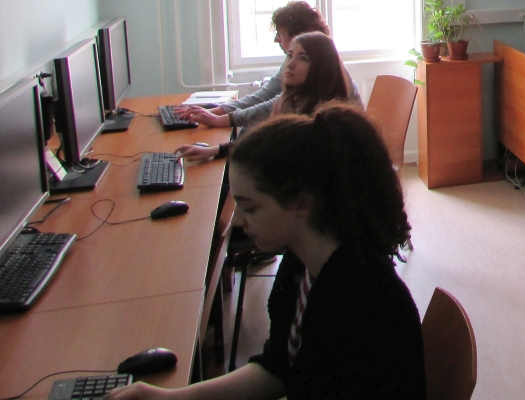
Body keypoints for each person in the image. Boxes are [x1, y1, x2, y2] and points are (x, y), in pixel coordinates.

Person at [107, 105, 425, 400]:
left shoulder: (358, 304)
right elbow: (279, 367)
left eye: (250, 207)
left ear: (301, 203)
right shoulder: (303, 262)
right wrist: (169, 398)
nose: (237, 221)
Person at [176, 33, 357, 162]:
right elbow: (263, 143)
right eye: (290, 56)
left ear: (321, 67)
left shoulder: (322, 118)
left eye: (303, 58)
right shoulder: (291, 100)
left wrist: (216, 149)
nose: (290, 64)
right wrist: (214, 150)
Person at [177, 1, 340, 129]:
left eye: (281, 34)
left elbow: (272, 104)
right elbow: (264, 96)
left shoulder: (323, 67)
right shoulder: (295, 62)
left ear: (300, 36)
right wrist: (213, 113)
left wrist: (218, 119)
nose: (277, 39)